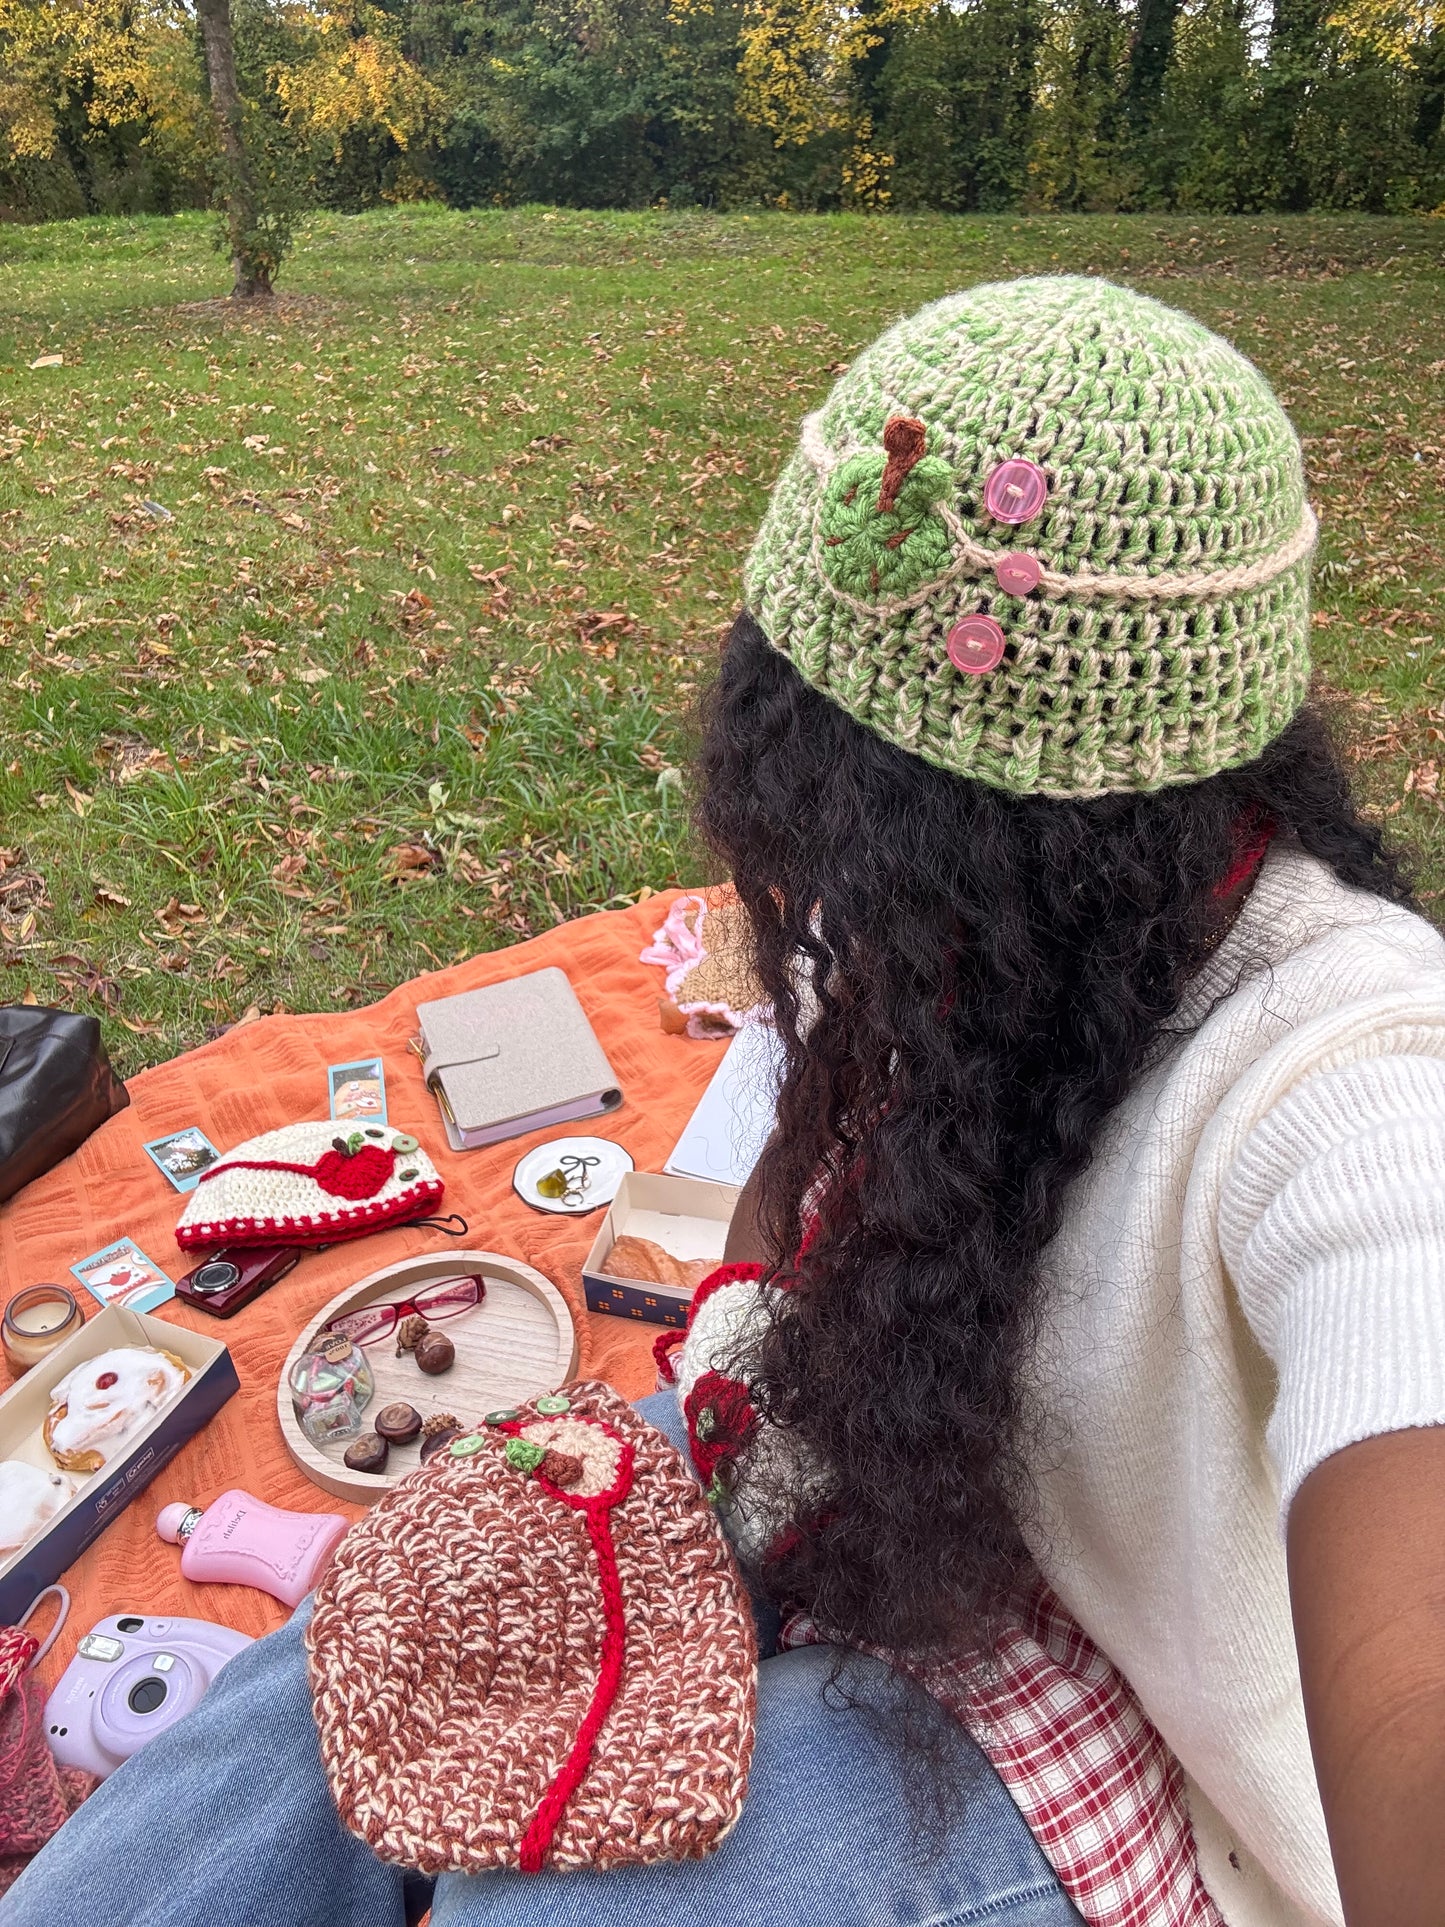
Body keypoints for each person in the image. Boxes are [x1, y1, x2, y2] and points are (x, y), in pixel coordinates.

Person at [9, 277, 1444, 1927]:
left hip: (1168, 1770)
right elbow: (797, 1185)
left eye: (872, 810)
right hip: (865, 1496)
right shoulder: (917, 911)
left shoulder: (1352, 1066)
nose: (820, 878)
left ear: (1045, 829)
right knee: (332, 1685)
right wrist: (693, 1421)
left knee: (556, 1907)